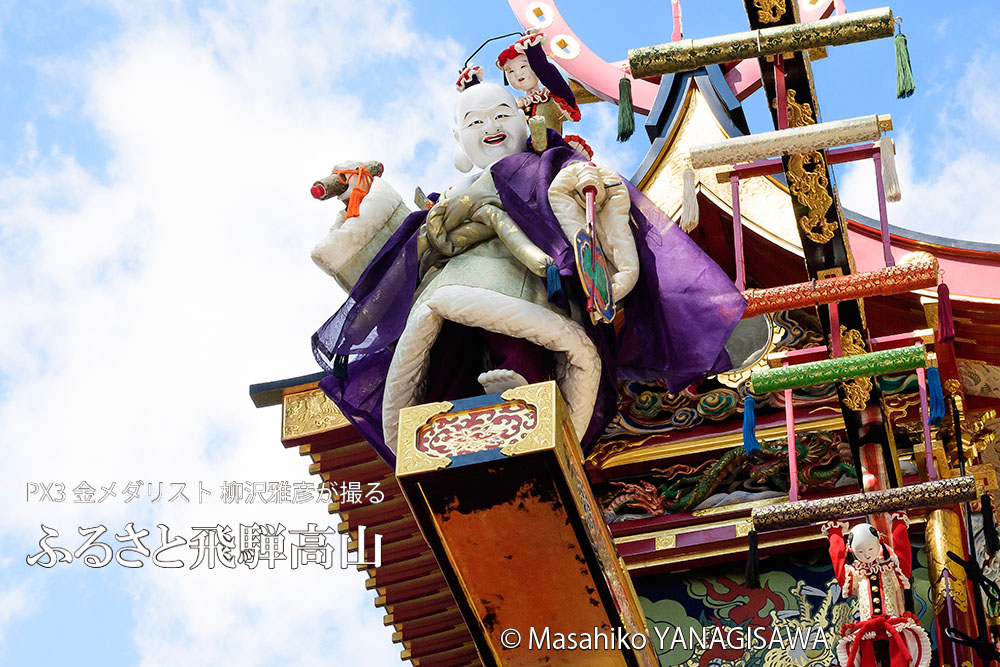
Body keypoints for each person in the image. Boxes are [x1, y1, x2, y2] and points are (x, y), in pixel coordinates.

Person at [310, 74, 745, 465]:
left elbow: (577, 192)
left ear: (523, 119)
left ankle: (522, 388)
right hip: (449, 279)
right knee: (446, 346)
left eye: (501, 114)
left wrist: (587, 186)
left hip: (524, 274)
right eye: (475, 122)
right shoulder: (449, 196)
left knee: (518, 332)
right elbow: (407, 252)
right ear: (459, 139)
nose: (490, 127)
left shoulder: (544, 166)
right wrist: (362, 207)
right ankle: (442, 410)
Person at [822, 516, 931, 667]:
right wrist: (835, 534)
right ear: (851, 550)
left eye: (870, 549)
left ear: (878, 542)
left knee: (898, 661)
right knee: (869, 662)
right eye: (860, 551)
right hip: (868, 630)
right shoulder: (855, 572)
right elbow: (840, 568)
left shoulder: (890, 565)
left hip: (892, 625)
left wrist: (898, 522)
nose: (866, 554)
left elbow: (904, 560)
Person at [496, 33, 592, 158]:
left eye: (523, 66)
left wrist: (533, 51)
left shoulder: (552, 97)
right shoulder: (516, 106)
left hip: (552, 155)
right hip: (523, 159)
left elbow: (547, 74)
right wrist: (471, 85)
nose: (518, 74)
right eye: (511, 71)